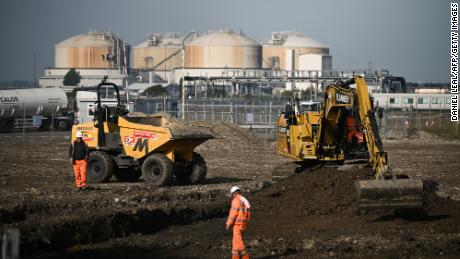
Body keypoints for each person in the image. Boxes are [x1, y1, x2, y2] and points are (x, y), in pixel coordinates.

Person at [226, 186, 251, 259]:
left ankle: (245, 257)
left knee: (239, 243)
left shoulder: (236, 201)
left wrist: (228, 224)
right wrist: (246, 222)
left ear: (233, 194)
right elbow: (248, 214)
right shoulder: (244, 200)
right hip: (243, 224)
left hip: (237, 225)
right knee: (235, 242)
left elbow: (232, 214)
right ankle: (235, 257)